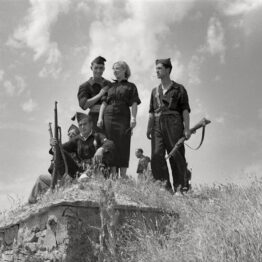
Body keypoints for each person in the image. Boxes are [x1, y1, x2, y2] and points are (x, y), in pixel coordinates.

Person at [28, 113, 115, 204]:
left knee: (104, 155)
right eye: (80, 125)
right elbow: (61, 149)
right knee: (59, 152)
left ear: (90, 124)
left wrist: (101, 149)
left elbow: (110, 144)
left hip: (95, 171)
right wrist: (54, 144)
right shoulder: (77, 140)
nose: (82, 127)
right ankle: (66, 182)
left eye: (84, 124)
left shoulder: (98, 136)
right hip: (80, 173)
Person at [146, 58, 191, 194]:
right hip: (157, 125)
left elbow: (185, 110)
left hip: (174, 123)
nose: (157, 71)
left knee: (176, 154)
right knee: (156, 155)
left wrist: (187, 128)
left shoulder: (179, 89)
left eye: (159, 68)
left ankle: (180, 188)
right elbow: (151, 112)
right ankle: (164, 187)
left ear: (168, 70)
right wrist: (149, 128)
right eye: (156, 69)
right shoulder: (154, 91)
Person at [97, 61, 141, 178]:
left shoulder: (131, 86)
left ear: (124, 70)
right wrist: (100, 118)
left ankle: (123, 176)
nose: (114, 71)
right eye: (113, 69)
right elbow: (104, 103)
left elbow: (134, 103)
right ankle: (113, 176)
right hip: (108, 117)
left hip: (123, 117)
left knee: (123, 144)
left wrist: (133, 117)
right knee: (110, 144)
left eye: (117, 68)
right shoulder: (110, 86)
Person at [28, 124, 81, 204]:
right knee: (41, 180)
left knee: (46, 190)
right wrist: (54, 146)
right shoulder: (64, 147)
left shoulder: (78, 149)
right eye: (69, 134)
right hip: (58, 178)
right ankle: (31, 203)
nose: (70, 136)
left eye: (73, 134)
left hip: (70, 181)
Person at [77, 56, 111, 133]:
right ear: (91, 68)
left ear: (104, 69)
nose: (98, 70)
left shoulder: (109, 84)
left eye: (101, 68)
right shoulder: (84, 86)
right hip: (94, 120)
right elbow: (84, 105)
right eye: (96, 68)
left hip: (109, 118)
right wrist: (100, 94)